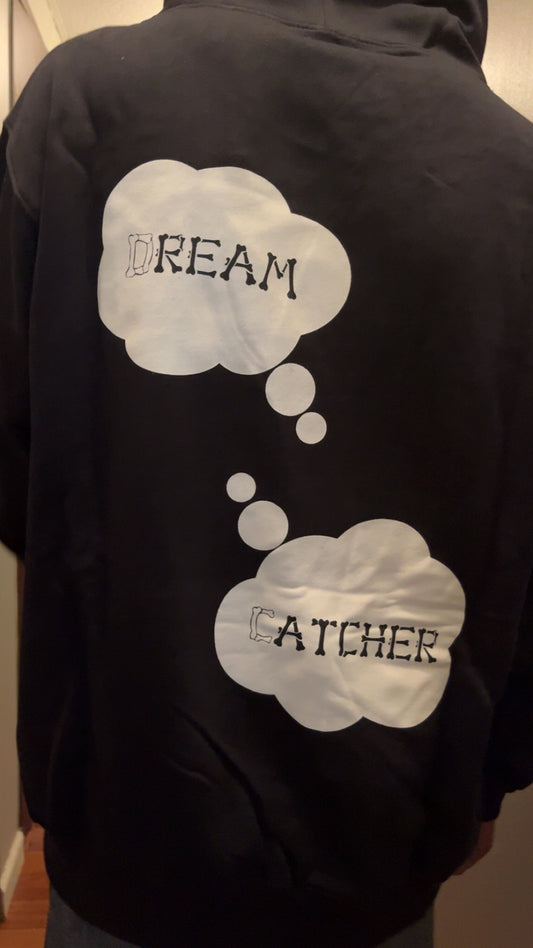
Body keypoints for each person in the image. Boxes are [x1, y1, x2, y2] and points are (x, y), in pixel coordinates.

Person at [1, 0, 533, 945]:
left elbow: (19, 469)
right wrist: (487, 772)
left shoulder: (84, 101)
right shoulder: (516, 169)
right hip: (383, 832)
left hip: (129, 809)